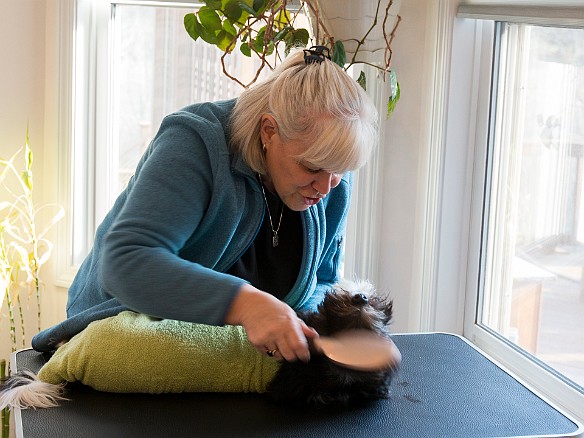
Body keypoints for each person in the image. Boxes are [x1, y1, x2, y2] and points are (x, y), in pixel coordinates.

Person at [32, 46, 379, 363]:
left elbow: (322, 280)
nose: (327, 186)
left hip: (228, 360)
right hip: (117, 335)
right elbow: (126, 264)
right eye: (313, 167)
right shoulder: (196, 143)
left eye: (341, 171)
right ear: (269, 131)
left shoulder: (331, 176)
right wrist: (248, 304)